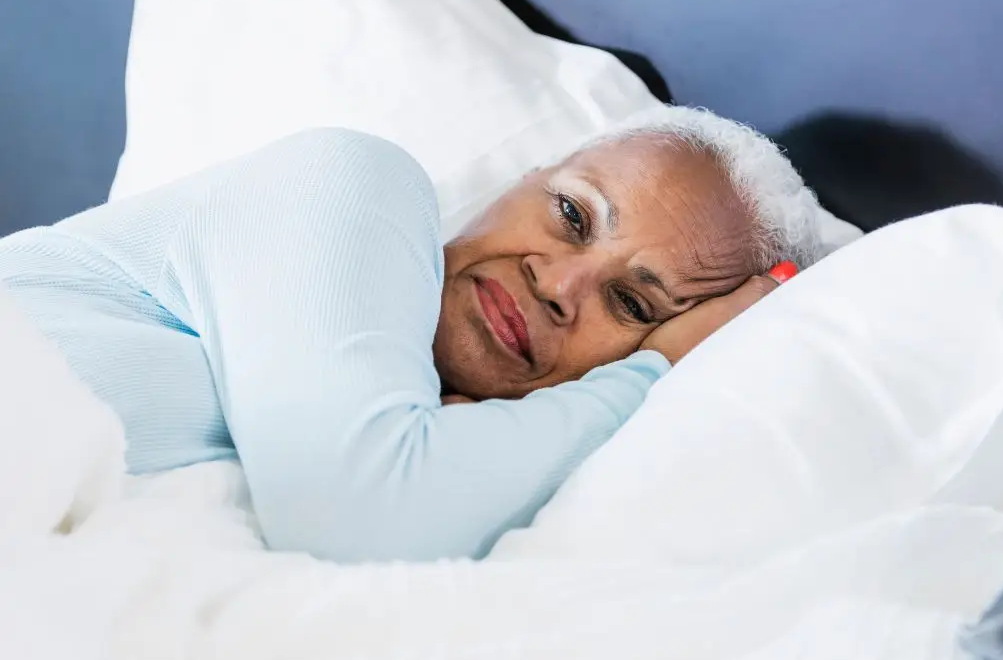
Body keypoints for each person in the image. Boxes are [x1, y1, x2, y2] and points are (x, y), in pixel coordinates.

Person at [0, 106, 823, 563]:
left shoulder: (457, 462)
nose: (558, 283)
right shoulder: (353, 184)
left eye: (634, 306)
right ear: (521, 181)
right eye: (571, 214)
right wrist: (649, 371)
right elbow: (355, 511)